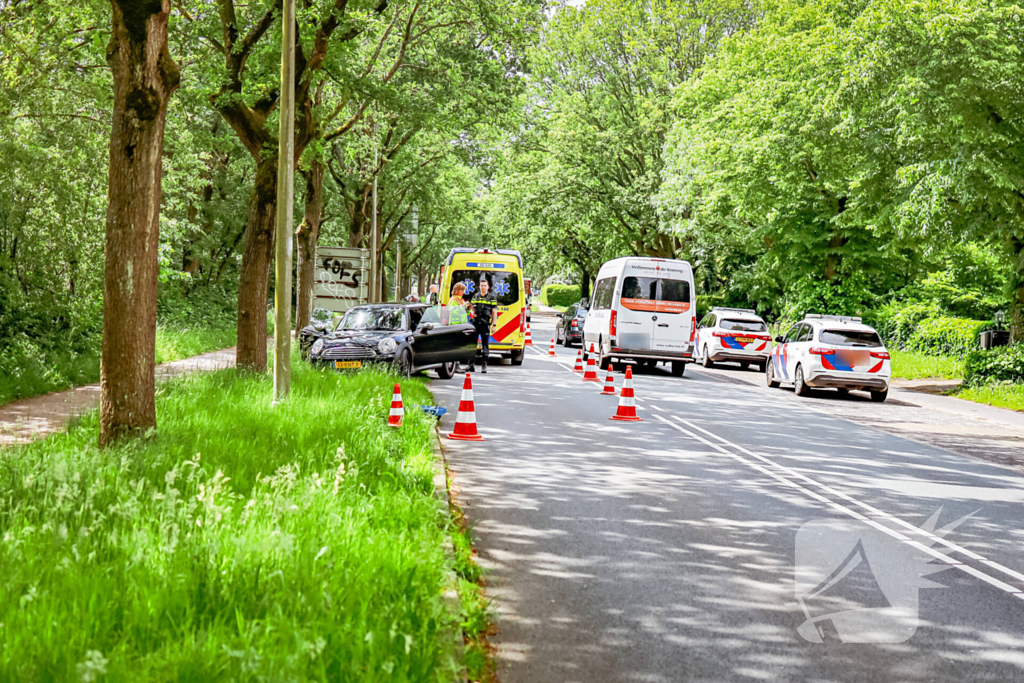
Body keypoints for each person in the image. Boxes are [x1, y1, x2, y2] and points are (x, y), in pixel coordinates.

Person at [467, 277, 497, 373]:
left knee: (485, 346)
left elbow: (494, 312)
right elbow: (471, 308)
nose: (483, 287)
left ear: (488, 287)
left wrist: (494, 325)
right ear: (479, 287)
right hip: (475, 323)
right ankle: (471, 365)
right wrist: (472, 312)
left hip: (485, 325)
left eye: (485, 285)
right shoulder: (475, 296)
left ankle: (484, 365)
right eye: (481, 285)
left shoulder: (492, 298)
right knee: (472, 345)